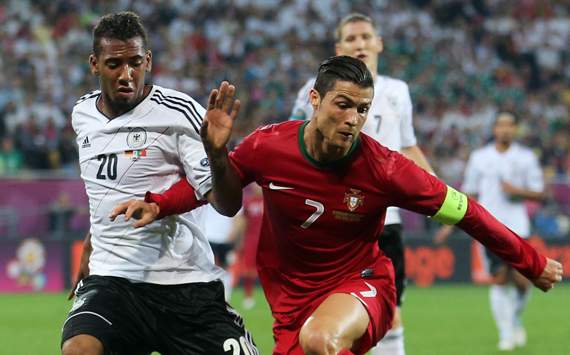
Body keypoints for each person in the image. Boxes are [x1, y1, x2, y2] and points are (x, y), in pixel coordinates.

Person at [118, 56, 562, 355]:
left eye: (362, 109)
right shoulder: (269, 146)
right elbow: (218, 188)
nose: (352, 119)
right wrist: (160, 204)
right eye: (342, 105)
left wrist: (528, 259)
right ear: (315, 99)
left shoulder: (386, 169)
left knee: (323, 337)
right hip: (291, 302)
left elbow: (467, 212)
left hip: (363, 285)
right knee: (313, 338)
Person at [61, 12, 257, 355]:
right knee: (80, 349)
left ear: (148, 60)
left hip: (184, 282)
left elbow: (228, 204)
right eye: (114, 64)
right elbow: (106, 191)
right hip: (113, 282)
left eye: (135, 62)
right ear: (94, 64)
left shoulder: (180, 113)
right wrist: (90, 247)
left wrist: (217, 154)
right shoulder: (82, 115)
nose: (127, 74)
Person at [291, 14, 434, 355]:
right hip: (330, 219)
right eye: (352, 39)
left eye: (366, 37)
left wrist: (436, 191)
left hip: (384, 221)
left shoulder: (398, 91)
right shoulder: (313, 92)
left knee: (388, 313)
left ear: (379, 43)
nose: (360, 44)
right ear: (339, 48)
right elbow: (297, 142)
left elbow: (408, 145)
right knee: (325, 317)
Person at [433, 112, 546, 351]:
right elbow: (470, 194)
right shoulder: (480, 157)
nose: (504, 129)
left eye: (509, 125)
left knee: (524, 281)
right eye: (500, 125)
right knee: (499, 279)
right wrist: (448, 225)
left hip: (518, 226)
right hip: (489, 227)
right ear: (494, 129)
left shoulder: (525, 157)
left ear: (515, 129)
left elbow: (540, 192)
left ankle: (515, 320)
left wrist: (517, 191)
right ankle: (505, 334)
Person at [229, 183, 264, 310]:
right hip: (251, 240)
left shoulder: (269, 202)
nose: (257, 188)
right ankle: (248, 297)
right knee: (249, 269)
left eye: (259, 185)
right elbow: (244, 222)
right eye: (255, 185)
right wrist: (240, 240)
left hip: (267, 241)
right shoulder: (248, 202)